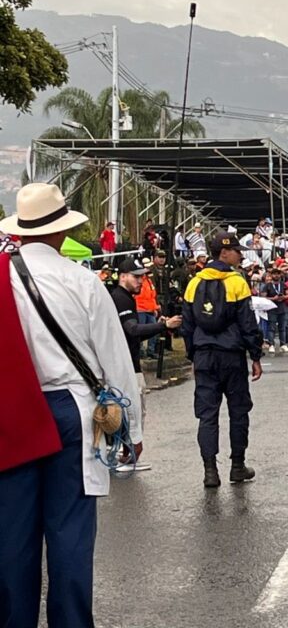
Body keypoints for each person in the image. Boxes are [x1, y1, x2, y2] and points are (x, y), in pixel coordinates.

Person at [0, 183, 143, 628]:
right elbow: (114, 364)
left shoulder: (4, 279)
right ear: (62, 233)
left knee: (12, 537)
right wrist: (130, 434)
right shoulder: (83, 281)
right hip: (77, 411)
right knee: (71, 534)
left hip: (12, 412)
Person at [182, 231, 264, 488]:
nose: (240, 254)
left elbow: (187, 325)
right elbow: (248, 323)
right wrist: (255, 355)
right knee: (239, 411)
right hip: (231, 356)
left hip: (204, 356)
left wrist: (192, 355)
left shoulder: (194, 282)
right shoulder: (236, 282)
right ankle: (237, 466)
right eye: (237, 251)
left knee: (207, 415)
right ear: (224, 253)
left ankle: (209, 471)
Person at [110, 255, 183, 472]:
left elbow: (133, 335)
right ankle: (128, 454)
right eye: (136, 277)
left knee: (130, 409)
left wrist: (161, 326)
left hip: (127, 361)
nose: (140, 281)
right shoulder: (121, 298)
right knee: (132, 409)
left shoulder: (123, 297)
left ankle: (124, 453)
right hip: (125, 366)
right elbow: (132, 329)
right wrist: (164, 326)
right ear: (123, 277)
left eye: (142, 277)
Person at [260, 267, 288, 353]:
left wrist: (283, 297)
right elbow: (263, 297)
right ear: (271, 275)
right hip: (272, 309)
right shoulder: (268, 286)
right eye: (274, 274)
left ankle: (283, 344)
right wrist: (273, 298)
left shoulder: (283, 285)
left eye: (278, 274)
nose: (276, 275)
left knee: (282, 327)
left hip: (282, 308)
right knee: (271, 327)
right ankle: (271, 344)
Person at [134, 260, 160, 359]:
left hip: (149, 310)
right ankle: (140, 351)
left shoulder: (149, 281)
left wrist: (155, 307)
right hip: (140, 309)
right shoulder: (139, 281)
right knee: (140, 332)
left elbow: (152, 296)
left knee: (153, 332)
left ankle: (150, 350)